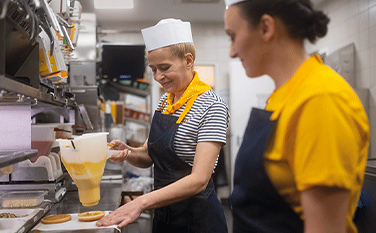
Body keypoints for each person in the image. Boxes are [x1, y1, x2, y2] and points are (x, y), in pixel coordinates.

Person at [223, 0, 370, 233]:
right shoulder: (283, 94)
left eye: (232, 36)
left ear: (266, 28)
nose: (231, 51)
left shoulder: (321, 100)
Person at [97, 18, 229, 233]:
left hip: (198, 218)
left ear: (188, 60)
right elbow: (149, 155)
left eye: (165, 68)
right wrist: (128, 152)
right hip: (164, 213)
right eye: (153, 69)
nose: (158, 77)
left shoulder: (211, 106)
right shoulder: (166, 102)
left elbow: (199, 180)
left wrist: (140, 202)